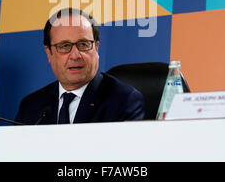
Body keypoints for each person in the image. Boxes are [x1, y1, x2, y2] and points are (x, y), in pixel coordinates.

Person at [15, 8, 145, 124]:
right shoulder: (31, 106)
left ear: (96, 47)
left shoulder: (124, 101)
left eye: (83, 44)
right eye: (65, 46)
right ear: (49, 53)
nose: (75, 55)